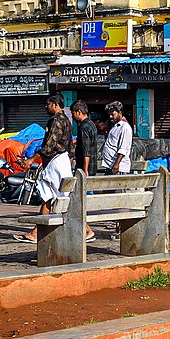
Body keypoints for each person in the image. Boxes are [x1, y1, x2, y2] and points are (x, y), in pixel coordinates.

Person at [23, 93, 74, 242]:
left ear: (55, 104)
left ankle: (85, 229)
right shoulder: (67, 120)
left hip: (55, 161)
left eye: (48, 104)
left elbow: (49, 146)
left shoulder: (56, 121)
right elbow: (70, 145)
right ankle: (37, 231)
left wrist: (32, 159)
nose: (46, 107)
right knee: (52, 194)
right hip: (62, 161)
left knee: (55, 195)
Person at [71, 100, 102, 239]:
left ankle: (87, 228)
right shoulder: (92, 125)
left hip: (85, 169)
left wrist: (85, 170)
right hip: (92, 167)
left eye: (73, 113)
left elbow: (86, 151)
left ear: (78, 112)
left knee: (83, 199)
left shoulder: (84, 127)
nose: (72, 116)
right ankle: (86, 226)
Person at [99, 100, 133, 174]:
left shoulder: (125, 127)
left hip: (118, 167)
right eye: (109, 115)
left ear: (119, 113)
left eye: (113, 114)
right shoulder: (115, 126)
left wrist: (117, 164)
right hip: (110, 165)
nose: (111, 117)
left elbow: (123, 148)